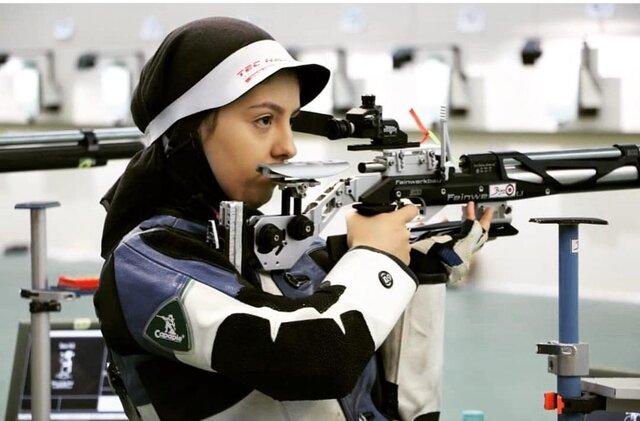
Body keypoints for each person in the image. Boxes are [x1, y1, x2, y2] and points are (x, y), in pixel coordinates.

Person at [94, 17, 492, 421]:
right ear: (189, 132)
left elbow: (385, 394)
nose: (287, 147)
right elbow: (316, 359)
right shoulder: (145, 265)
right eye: (264, 120)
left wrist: (417, 264)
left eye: (291, 120)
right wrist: (377, 258)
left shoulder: (268, 248)